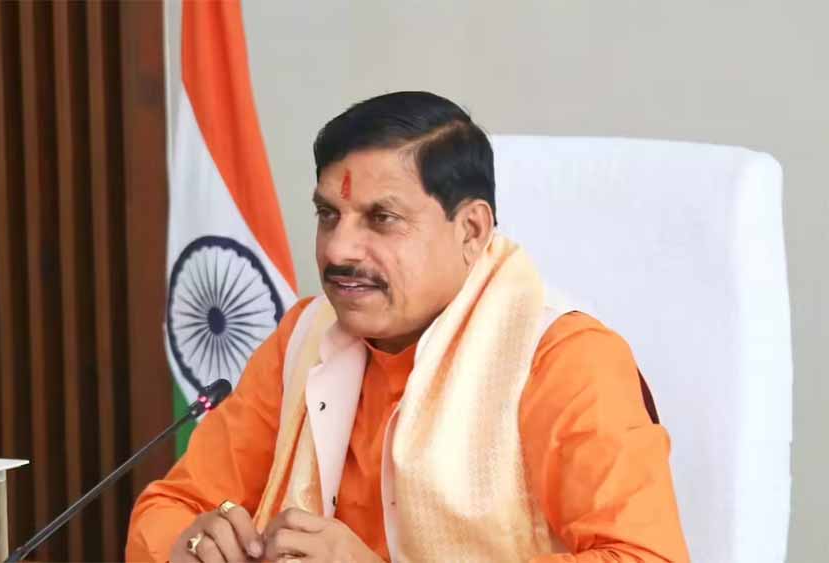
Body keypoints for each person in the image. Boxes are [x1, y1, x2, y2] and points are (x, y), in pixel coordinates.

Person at [127, 91, 689, 562]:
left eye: (382, 219)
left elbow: (645, 556)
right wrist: (189, 545)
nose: (339, 250)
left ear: (471, 230)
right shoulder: (304, 339)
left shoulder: (561, 359)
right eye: (328, 215)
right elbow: (169, 507)